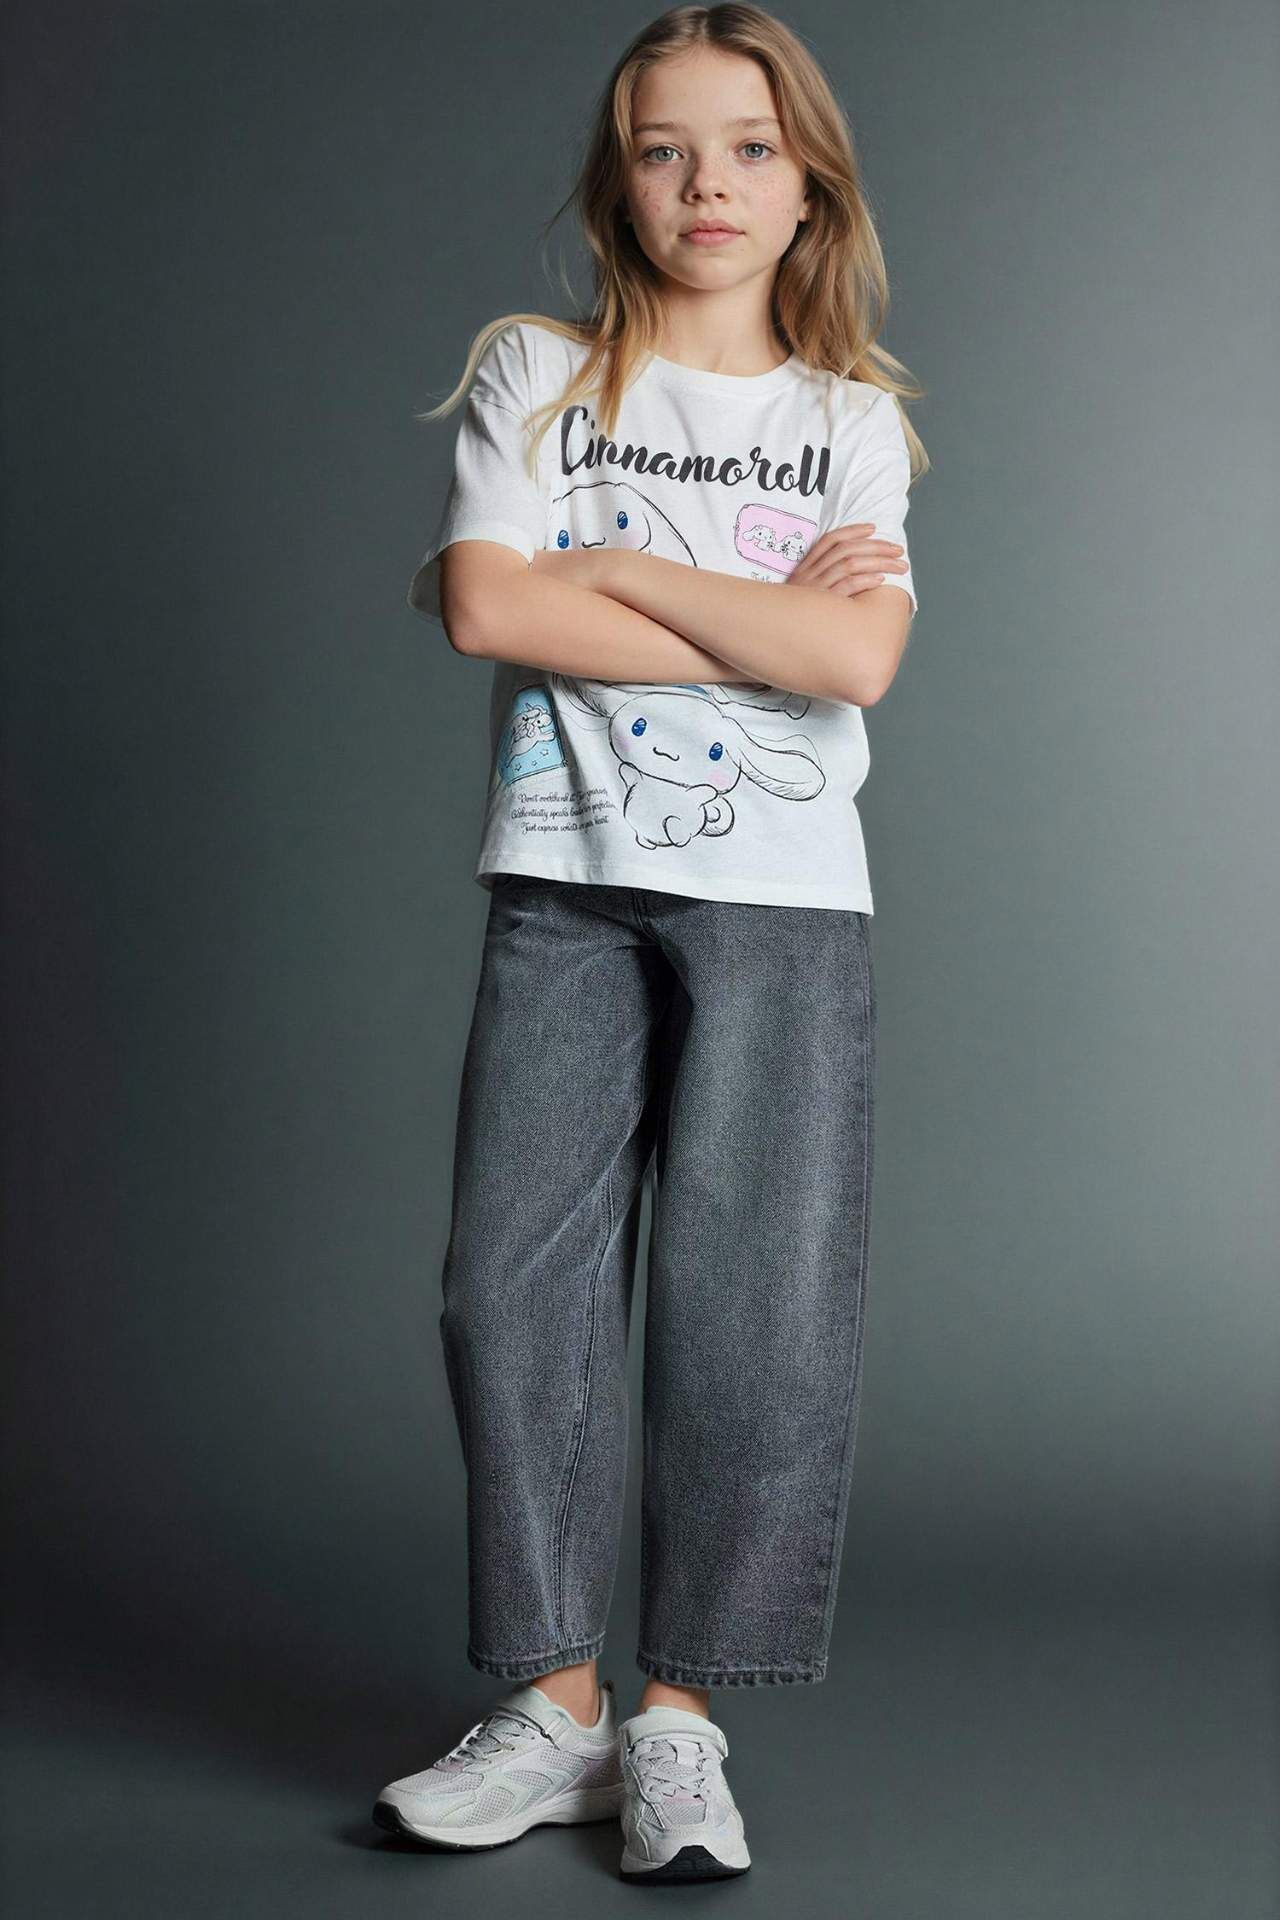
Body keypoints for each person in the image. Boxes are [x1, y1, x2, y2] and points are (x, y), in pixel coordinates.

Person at [374, 1, 927, 1883]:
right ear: (621, 180)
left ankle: (681, 1724)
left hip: (789, 903)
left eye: (751, 149)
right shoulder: (535, 375)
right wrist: (743, 622)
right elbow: (483, 609)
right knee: (505, 1287)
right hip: (563, 880)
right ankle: (557, 1711)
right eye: (666, 147)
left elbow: (855, 660)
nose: (710, 184)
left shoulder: (849, 423)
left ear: (807, 186)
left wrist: (601, 567)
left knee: (754, 1304)